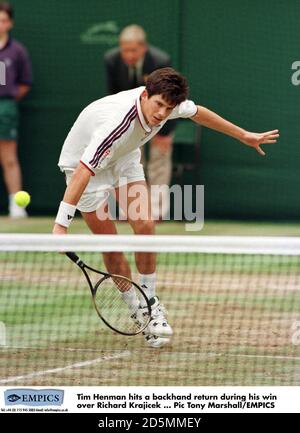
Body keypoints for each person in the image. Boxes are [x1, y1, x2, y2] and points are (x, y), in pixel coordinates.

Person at [53, 67, 279, 348]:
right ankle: (134, 307)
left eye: (168, 108)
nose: (162, 113)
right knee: (110, 243)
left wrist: (243, 135)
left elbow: (198, 112)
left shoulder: (169, 105)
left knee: (146, 224)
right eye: (158, 104)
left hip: (123, 158)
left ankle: (149, 303)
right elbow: (84, 171)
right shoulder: (116, 122)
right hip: (83, 166)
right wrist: (61, 224)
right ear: (145, 95)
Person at [104, 24, 176, 219]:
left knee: (158, 162)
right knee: (129, 162)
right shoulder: (111, 60)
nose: (128, 55)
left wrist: (165, 132)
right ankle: (134, 210)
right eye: (125, 50)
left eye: (133, 50)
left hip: (159, 120)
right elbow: (113, 97)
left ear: (143, 48)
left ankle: (156, 212)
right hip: (129, 121)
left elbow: (171, 99)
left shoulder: (161, 61)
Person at [0, 2, 32, 218]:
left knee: (9, 157)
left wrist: (7, 99)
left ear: (9, 23)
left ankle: (16, 206)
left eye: (2, 20)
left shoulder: (17, 50)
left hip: (6, 108)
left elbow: (24, 84)